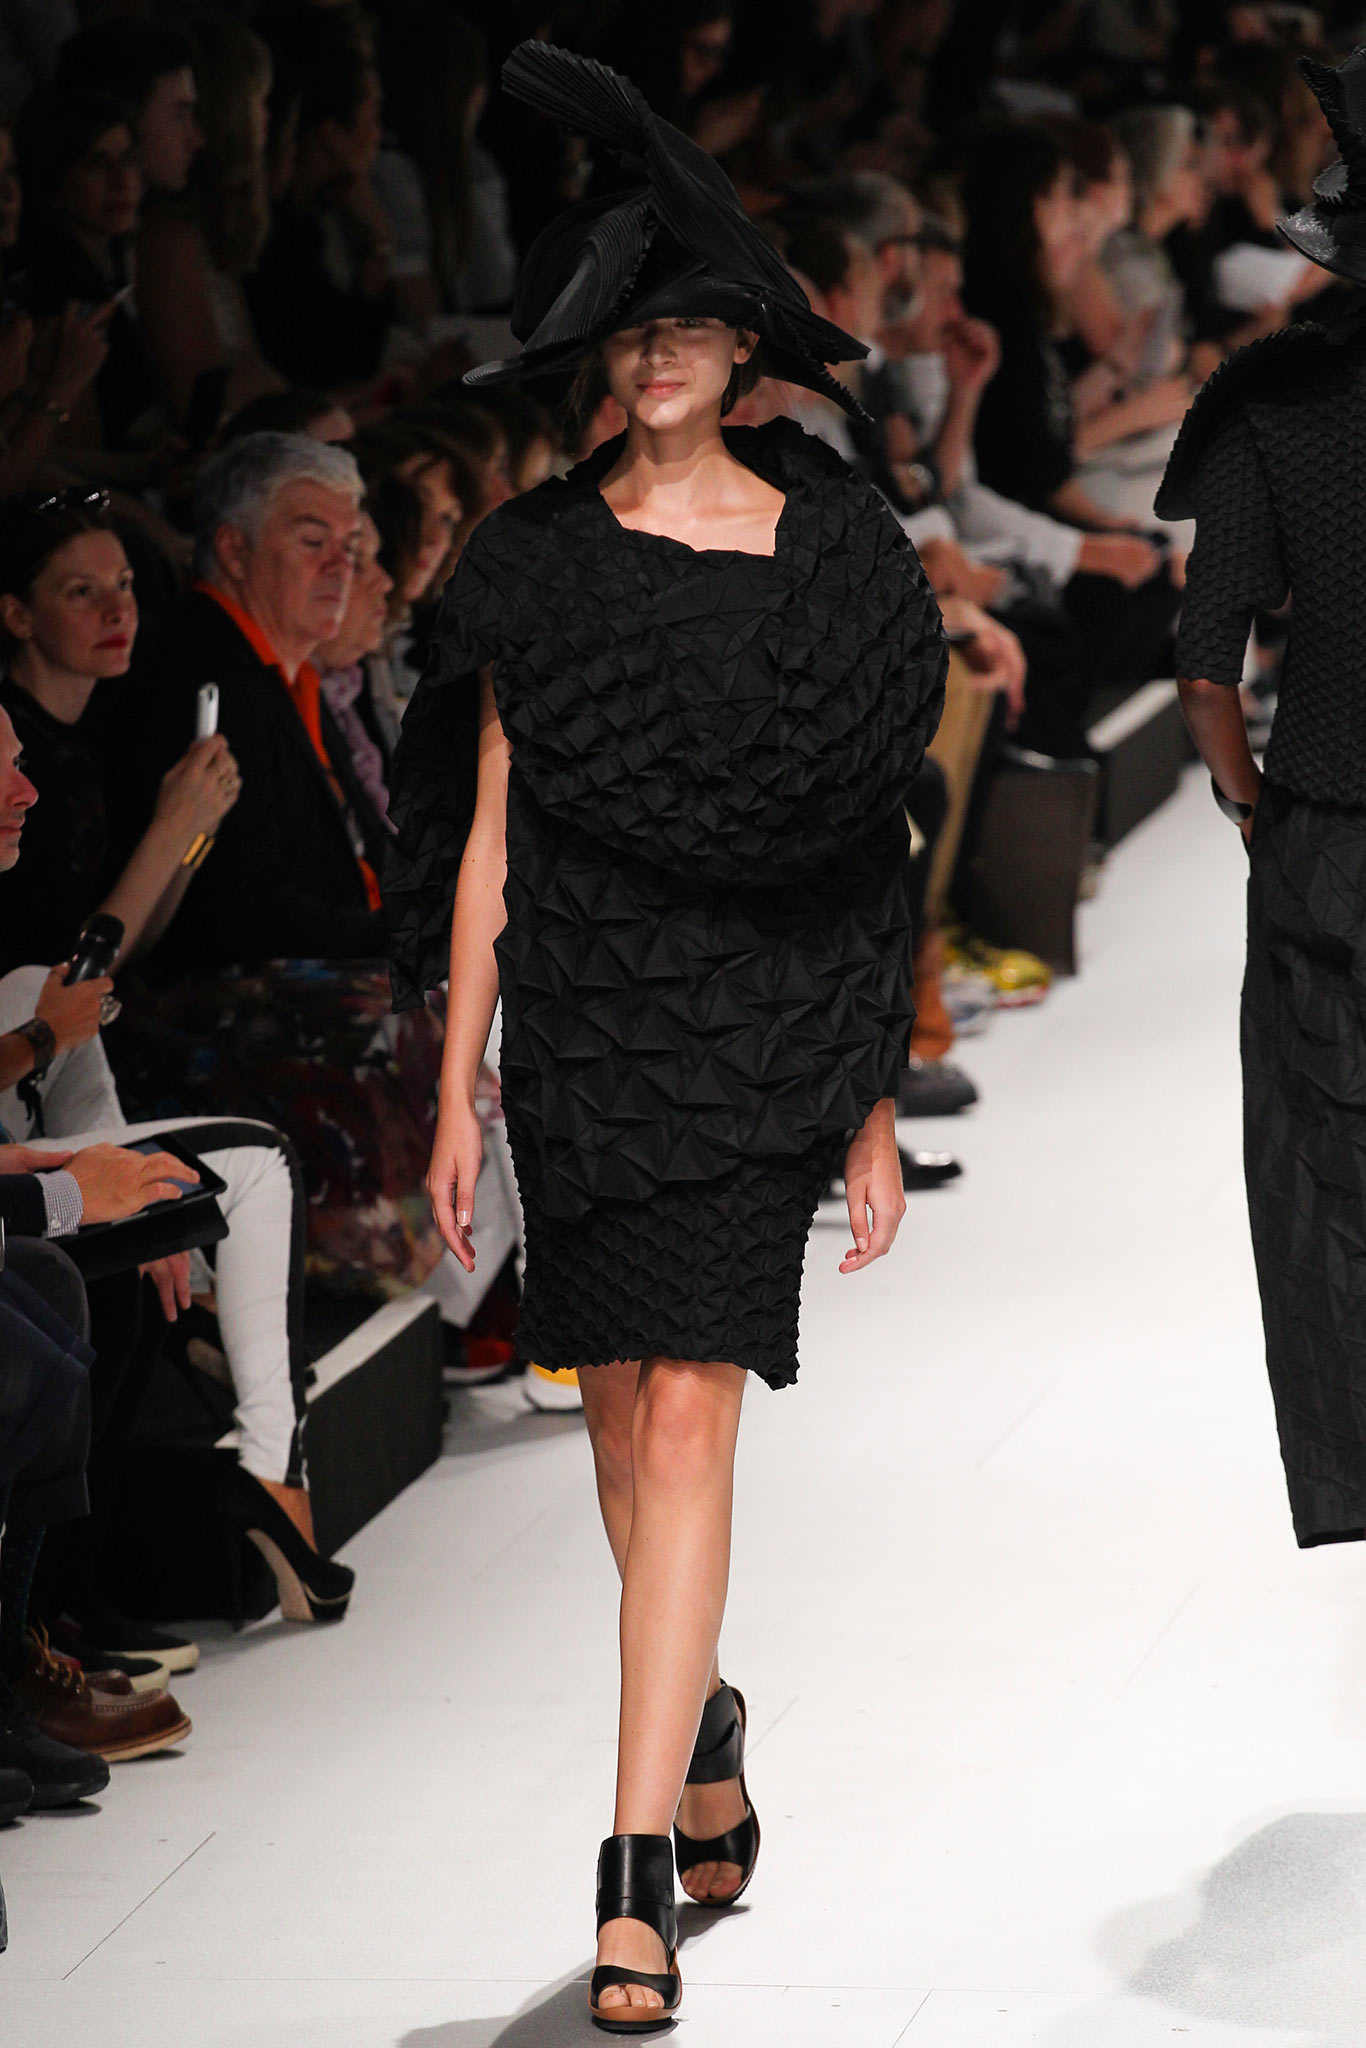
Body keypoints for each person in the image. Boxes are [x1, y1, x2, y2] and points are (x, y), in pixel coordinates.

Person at [386, 42, 945, 2032]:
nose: (655, 359)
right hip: (589, 1024)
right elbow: (486, 835)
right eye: (627, 334)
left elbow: (879, 829)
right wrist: (456, 1084)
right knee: (622, 1424)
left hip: (761, 1016)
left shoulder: (832, 546)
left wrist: (868, 1089)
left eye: (687, 326)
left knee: (690, 1411)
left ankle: (628, 1884)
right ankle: (696, 1711)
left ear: (741, 344)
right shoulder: (532, 560)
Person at [1156, 49, 1366, 1551]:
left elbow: (1202, 662)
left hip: (1328, 836)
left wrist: (1250, 809)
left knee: (1330, 1183)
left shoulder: (1269, 398)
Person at [0, 488, 242, 977]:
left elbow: (128, 945)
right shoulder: (13, 754)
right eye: (83, 592)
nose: (118, 611)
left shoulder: (95, 735)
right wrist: (174, 827)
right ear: (19, 617)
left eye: (124, 584)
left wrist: (197, 829)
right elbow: (65, 979)